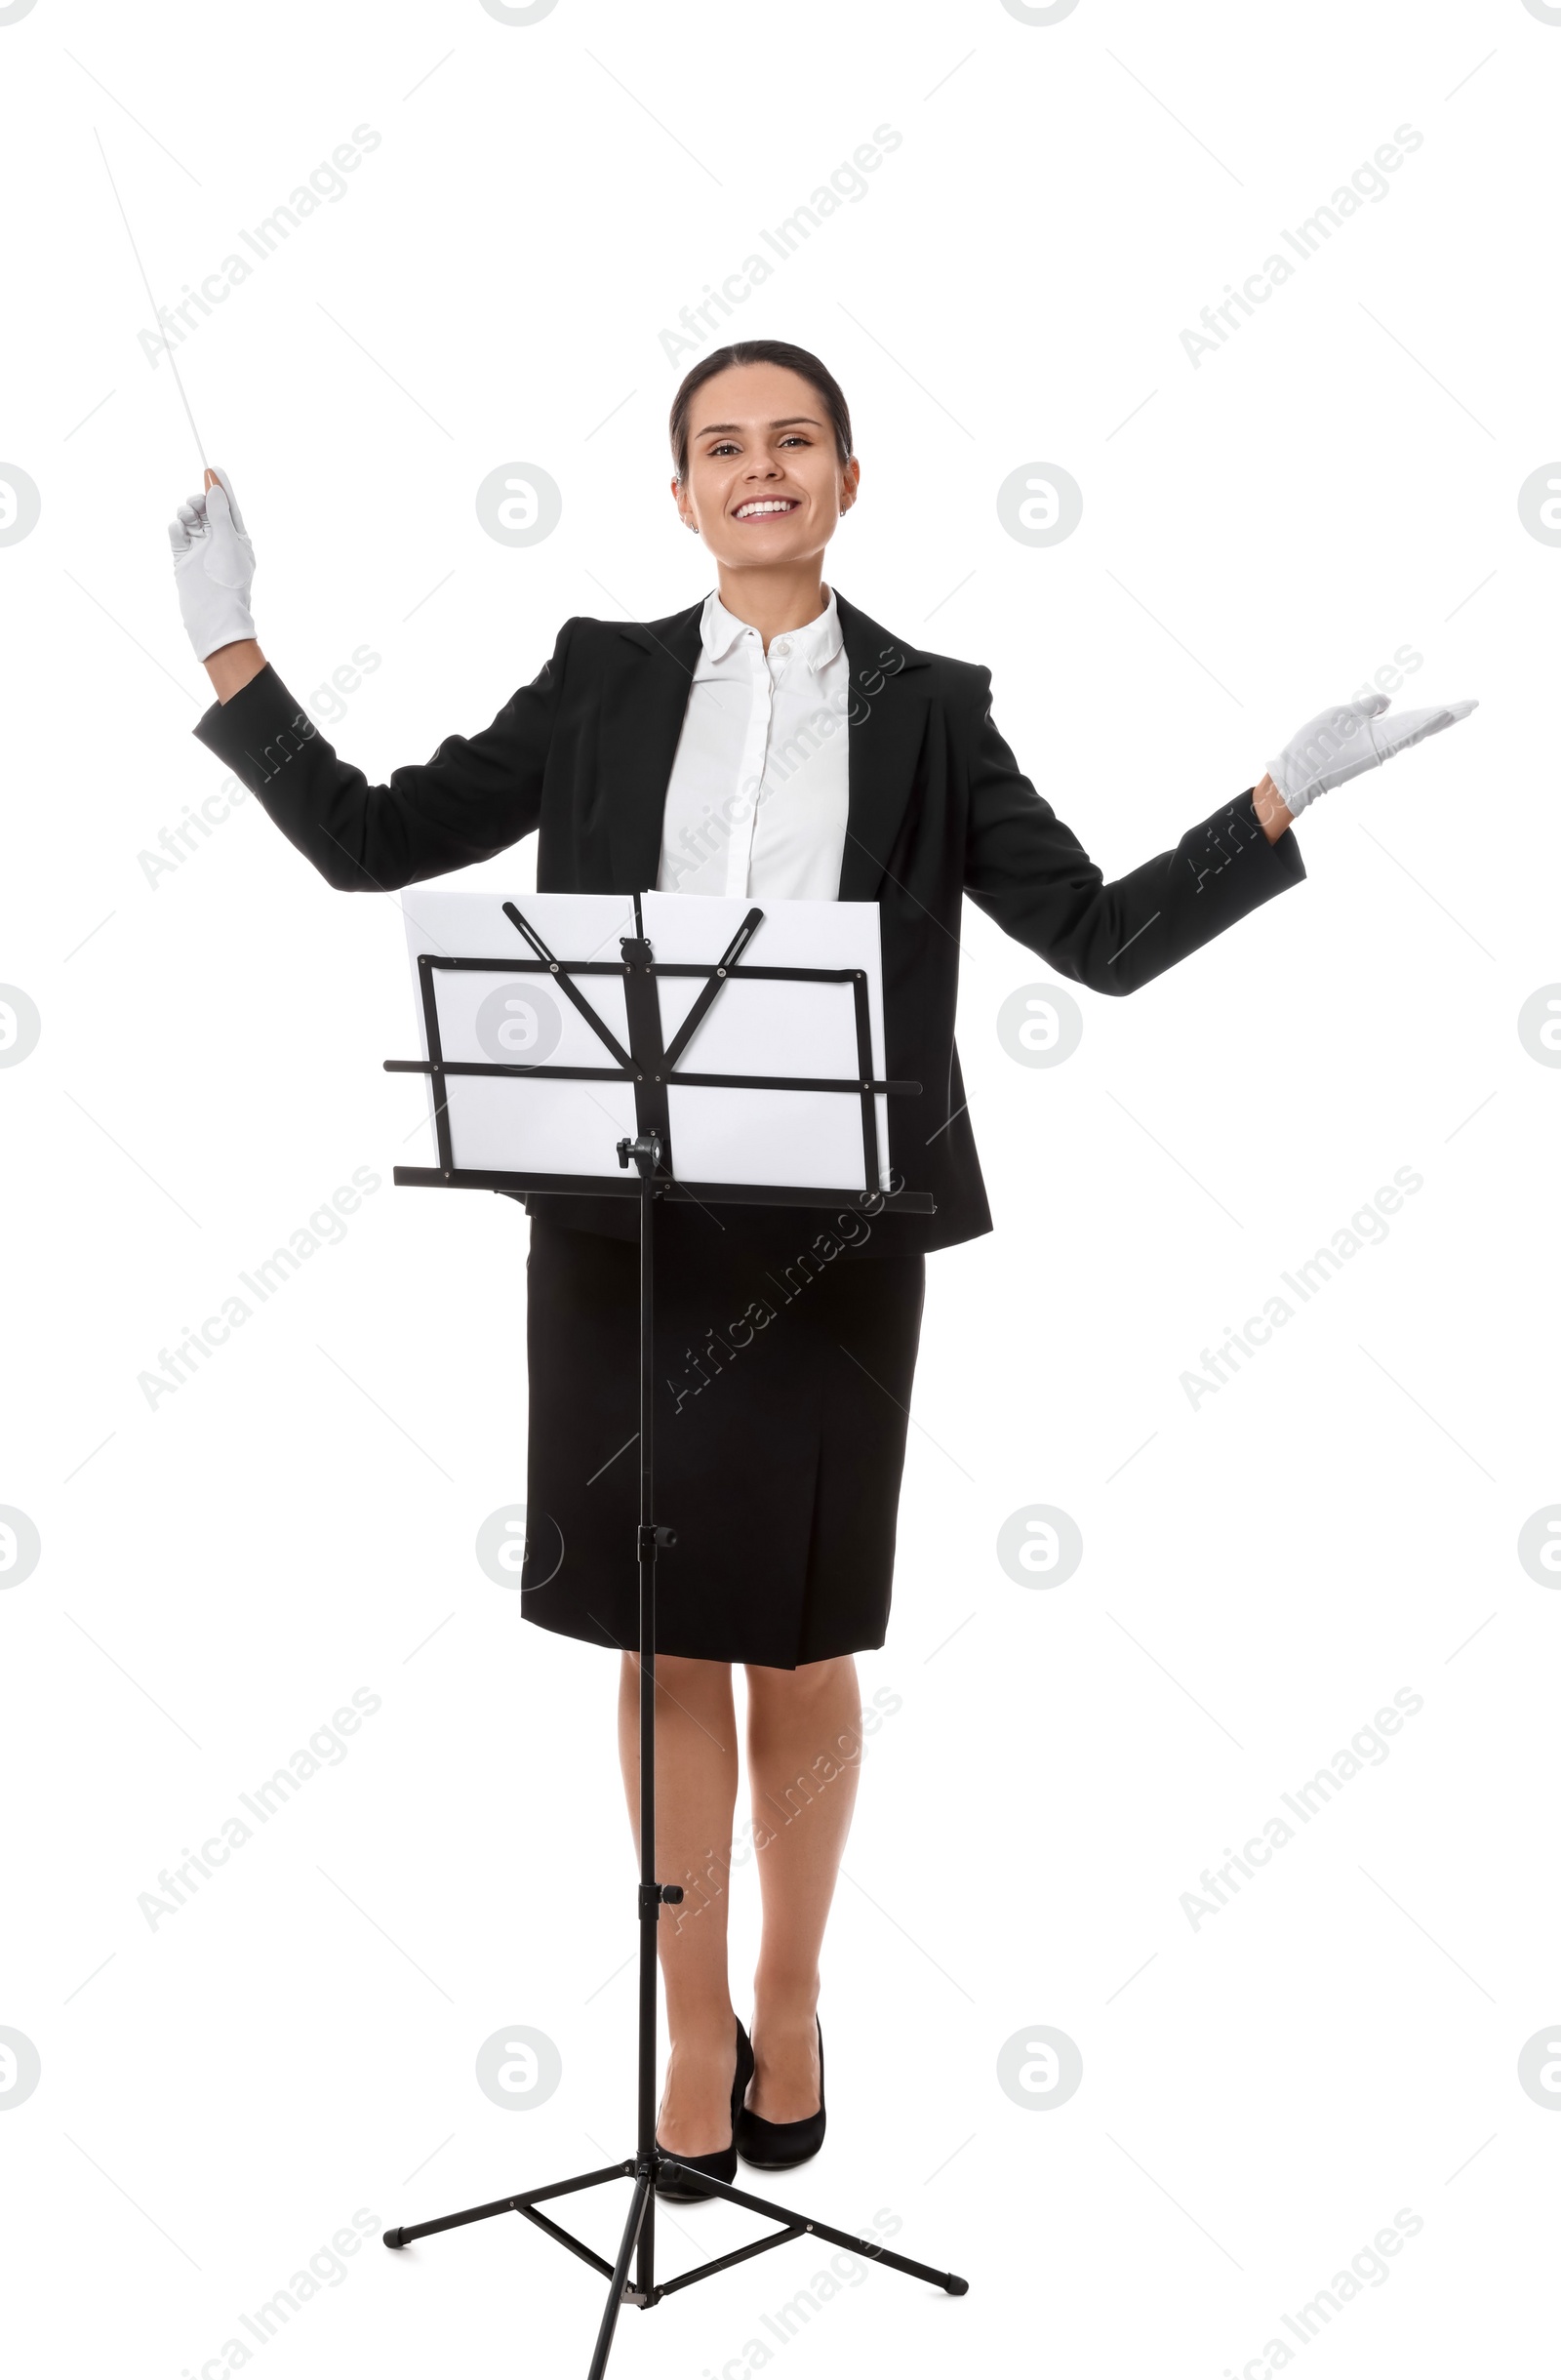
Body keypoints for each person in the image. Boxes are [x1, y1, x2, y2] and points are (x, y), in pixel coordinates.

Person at [170, 337, 1475, 2198]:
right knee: (653, 1628)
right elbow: (372, 842)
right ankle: (689, 2021)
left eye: (795, 441)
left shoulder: (932, 708)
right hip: (621, 1237)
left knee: (798, 1630)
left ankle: (792, 1994)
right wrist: (234, 643)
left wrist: (1277, 801)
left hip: (840, 1246)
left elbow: (1097, 940)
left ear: (847, 482)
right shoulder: (599, 681)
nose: (759, 467)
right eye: (724, 445)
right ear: (680, 493)